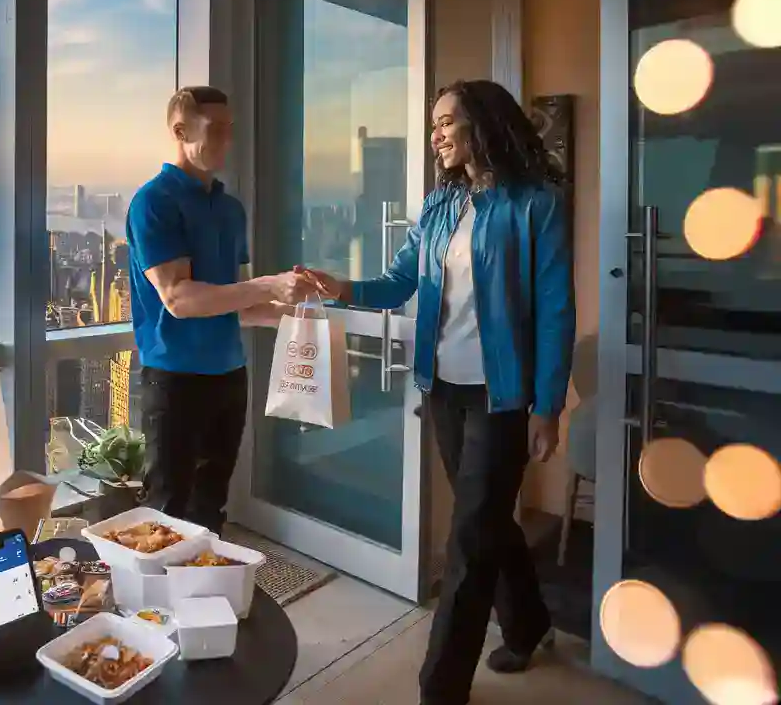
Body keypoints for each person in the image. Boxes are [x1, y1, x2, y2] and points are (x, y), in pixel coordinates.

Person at [304, 79, 574, 705]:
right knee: (487, 521)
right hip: (444, 389)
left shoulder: (536, 206)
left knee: (470, 538)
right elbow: (400, 281)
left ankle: (441, 687)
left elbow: (556, 312)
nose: (436, 136)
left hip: (503, 398)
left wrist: (548, 407)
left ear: (483, 122)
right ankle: (529, 623)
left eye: (446, 122)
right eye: (434, 125)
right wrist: (342, 287)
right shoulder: (439, 206)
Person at [127, 85, 316, 534]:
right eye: (215, 130)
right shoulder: (154, 202)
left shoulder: (230, 210)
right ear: (180, 131)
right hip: (175, 379)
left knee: (211, 507)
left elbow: (236, 304)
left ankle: (206, 580)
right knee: (167, 514)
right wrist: (267, 284)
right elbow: (179, 299)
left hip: (230, 375)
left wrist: (297, 311)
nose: (227, 141)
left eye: (230, 129)